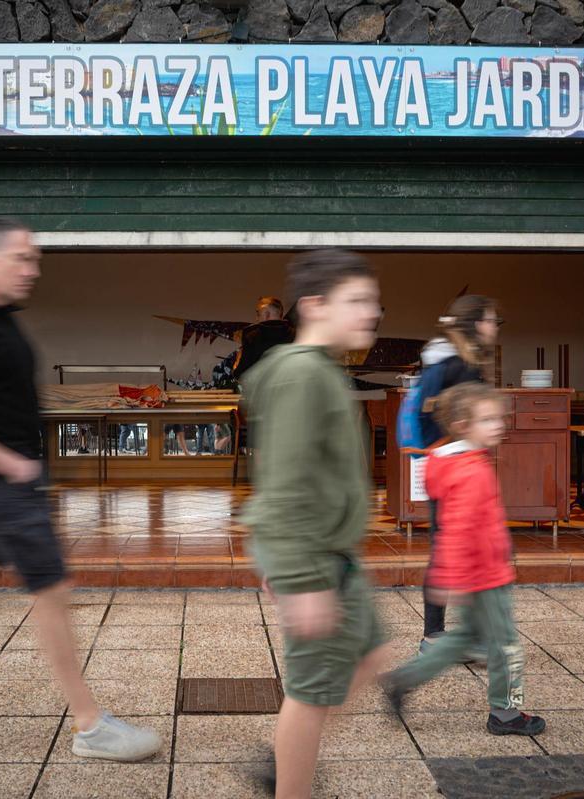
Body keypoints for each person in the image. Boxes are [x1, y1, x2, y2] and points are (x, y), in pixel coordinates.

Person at [0, 218, 161, 761]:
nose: (33, 270)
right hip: (2, 485)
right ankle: (89, 724)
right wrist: (13, 465)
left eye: (36, 260)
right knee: (51, 588)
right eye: (23, 259)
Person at [241, 249, 390, 799]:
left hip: (337, 555)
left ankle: (289, 760)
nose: (371, 313)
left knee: (370, 656)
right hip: (317, 562)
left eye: (374, 302)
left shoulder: (319, 370)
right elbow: (283, 479)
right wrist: (296, 574)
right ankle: (290, 779)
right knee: (309, 695)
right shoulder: (301, 375)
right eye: (357, 301)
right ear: (314, 305)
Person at [382, 381, 546, 738]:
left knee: (468, 637)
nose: (498, 425)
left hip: (478, 572)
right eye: (487, 420)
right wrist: (446, 576)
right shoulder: (471, 472)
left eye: (498, 418)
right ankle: (506, 713)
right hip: (486, 574)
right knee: (505, 646)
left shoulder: (457, 463)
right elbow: (458, 529)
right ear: (462, 426)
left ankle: (405, 679)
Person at [415, 294, 502, 654]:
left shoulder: (458, 360)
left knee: (463, 547)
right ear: (476, 324)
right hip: (453, 468)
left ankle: (456, 636)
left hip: (453, 464)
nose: (495, 327)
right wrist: (456, 441)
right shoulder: (456, 365)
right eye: (492, 320)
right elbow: (429, 413)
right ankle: (435, 636)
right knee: (450, 547)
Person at [232, 295, 296, 382]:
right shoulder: (296, 334)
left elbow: (242, 373)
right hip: (289, 390)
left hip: (261, 392)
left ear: (267, 314)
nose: (257, 318)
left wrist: (235, 367)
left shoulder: (252, 336)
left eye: (258, 314)